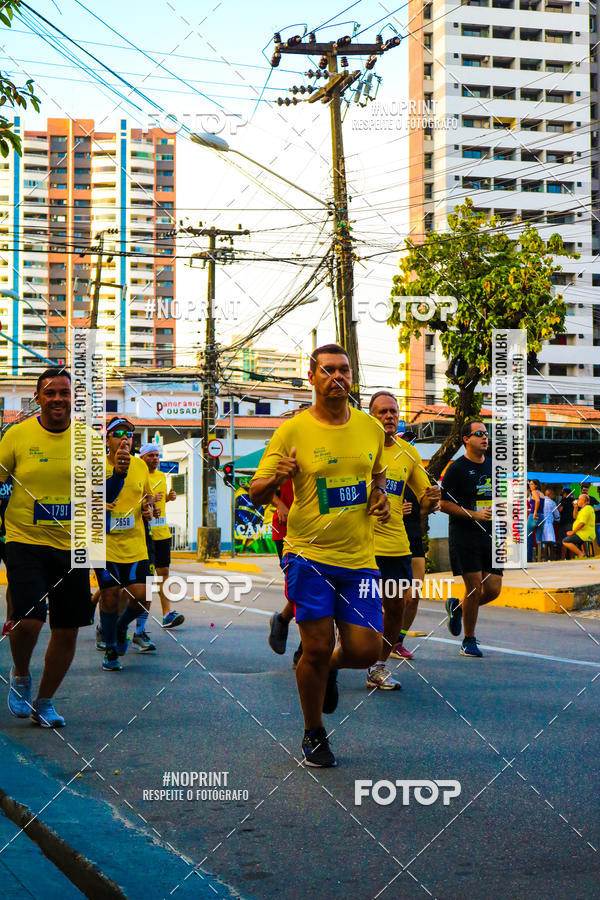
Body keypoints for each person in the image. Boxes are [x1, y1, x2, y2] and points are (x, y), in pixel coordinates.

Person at [250, 344, 389, 768]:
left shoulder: (370, 428)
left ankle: (328, 667)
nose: (337, 377)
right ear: (311, 377)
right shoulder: (292, 431)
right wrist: (278, 476)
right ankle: (314, 732)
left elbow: (377, 472)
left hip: (360, 558)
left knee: (367, 650)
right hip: (308, 555)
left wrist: (379, 495)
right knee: (316, 644)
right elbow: (255, 492)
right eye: (328, 370)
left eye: (344, 370)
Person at [0, 368, 125, 726]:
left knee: (67, 628)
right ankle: (21, 675)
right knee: (29, 622)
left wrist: (116, 476)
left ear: (74, 399)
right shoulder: (17, 436)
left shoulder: (88, 441)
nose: (58, 399)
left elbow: (103, 499)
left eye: (64, 393)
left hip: (74, 547)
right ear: (38, 398)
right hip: (25, 541)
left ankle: (45, 701)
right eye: (50, 393)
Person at [367, 392, 440, 686]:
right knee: (354, 607)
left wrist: (432, 498)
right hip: (359, 544)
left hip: (396, 544)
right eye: (382, 412)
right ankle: (331, 657)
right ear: (370, 416)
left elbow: (425, 498)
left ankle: (379, 665)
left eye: (393, 412)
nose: (389, 416)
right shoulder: (359, 449)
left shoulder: (407, 452)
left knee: (396, 605)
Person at [95, 418, 155, 671]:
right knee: (108, 596)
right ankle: (110, 649)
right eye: (118, 433)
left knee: (142, 596)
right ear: (107, 440)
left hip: (135, 543)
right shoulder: (95, 466)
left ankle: (120, 626)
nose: (125, 438)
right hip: (103, 543)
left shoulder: (140, 466)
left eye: (130, 433)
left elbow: (147, 495)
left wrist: (149, 507)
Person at [440, 420, 503, 658]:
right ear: (466, 439)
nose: (484, 438)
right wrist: (473, 514)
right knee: (474, 587)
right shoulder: (456, 468)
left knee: (494, 589)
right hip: (464, 533)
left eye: (486, 434)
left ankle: (457, 607)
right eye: (479, 434)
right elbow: (443, 503)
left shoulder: (493, 466)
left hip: (489, 534)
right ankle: (469, 640)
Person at [139, 443, 183, 634]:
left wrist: (168, 497)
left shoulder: (161, 476)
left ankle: (167, 613)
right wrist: (149, 501)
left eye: (157, 455)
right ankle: (97, 601)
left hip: (162, 531)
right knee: (140, 579)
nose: (155, 459)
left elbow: (160, 500)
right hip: (143, 533)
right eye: (151, 455)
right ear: (142, 458)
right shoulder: (138, 475)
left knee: (163, 571)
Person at [268, 478, 303, 666]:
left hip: (323, 530)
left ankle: (282, 620)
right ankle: (305, 651)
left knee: (320, 587)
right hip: (286, 529)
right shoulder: (283, 451)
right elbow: (260, 487)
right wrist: (280, 503)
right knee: (305, 588)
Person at [562, 493, 596, 558]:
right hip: (582, 533)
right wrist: (575, 508)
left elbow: (582, 523)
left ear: (584, 501)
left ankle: (581, 554)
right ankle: (581, 554)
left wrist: (573, 532)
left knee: (565, 541)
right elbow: (575, 517)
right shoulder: (584, 509)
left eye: (579, 499)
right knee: (567, 539)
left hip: (584, 534)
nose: (578, 501)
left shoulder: (587, 509)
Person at [527, 479, 545, 562]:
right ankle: (539, 557)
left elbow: (537, 501)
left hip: (534, 516)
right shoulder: (542, 494)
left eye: (531, 484)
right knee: (539, 538)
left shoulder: (534, 492)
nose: (530, 486)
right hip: (541, 516)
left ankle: (529, 558)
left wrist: (534, 512)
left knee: (528, 536)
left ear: (536, 485)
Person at [540, 489, 560, 562]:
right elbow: (557, 515)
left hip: (540, 524)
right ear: (550, 494)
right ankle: (550, 557)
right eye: (553, 494)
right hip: (548, 524)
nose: (554, 496)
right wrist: (557, 519)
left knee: (542, 542)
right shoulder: (552, 503)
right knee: (550, 541)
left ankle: (543, 557)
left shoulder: (540, 500)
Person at [558, 488, 575, 559]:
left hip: (564, 523)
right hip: (572, 523)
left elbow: (560, 509)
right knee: (571, 541)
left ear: (565, 494)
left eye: (563, 494)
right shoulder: (573, 501)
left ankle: (563, 557)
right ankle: (571, 557)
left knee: (564, 541)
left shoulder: (563, 500)